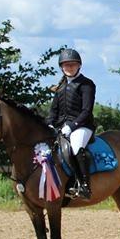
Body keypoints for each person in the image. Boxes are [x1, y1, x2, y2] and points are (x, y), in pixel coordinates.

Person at [46, 48, 96, 200]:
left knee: (75, 147)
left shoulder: (87, 85)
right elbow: (54, 111)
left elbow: (86, 111)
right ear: (62, 67)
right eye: (66, 65)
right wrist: (49, 124)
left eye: (72, 65)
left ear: (79, 66)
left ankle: (84, 185)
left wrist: (72, 126)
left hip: (82, 126)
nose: (69, 68)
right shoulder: (60, 88)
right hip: (62, 127)